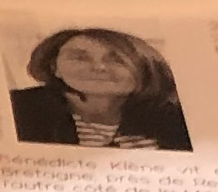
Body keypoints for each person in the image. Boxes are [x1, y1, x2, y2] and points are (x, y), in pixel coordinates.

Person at [11, 28, 192, 150]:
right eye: (79, 58)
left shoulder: (178, 120)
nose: (98, 67)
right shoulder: (19, 108)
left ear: (147, 69)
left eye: (116, 60)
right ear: (54, 67)